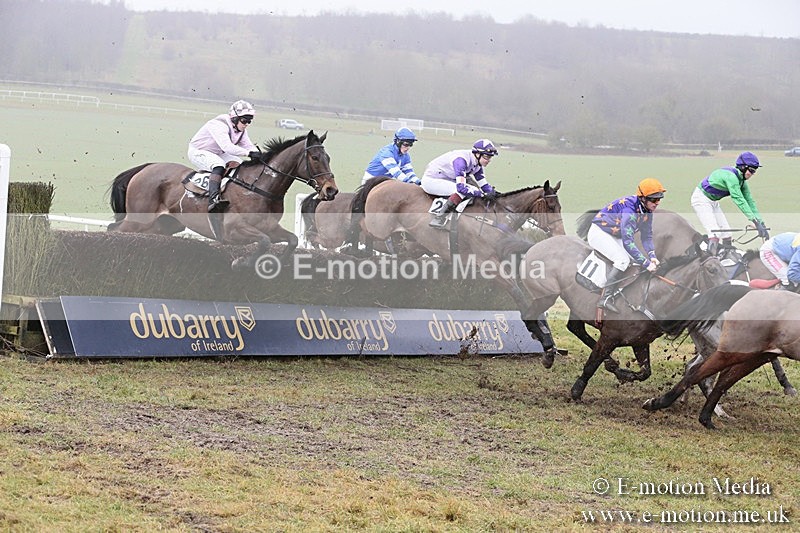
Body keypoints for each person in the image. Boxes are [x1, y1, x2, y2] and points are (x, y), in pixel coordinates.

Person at [588, 178, 666, 313]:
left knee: (636, 260)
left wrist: (652, 256)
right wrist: (647, 264)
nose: (657, 203)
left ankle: (621, 293)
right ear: (643, 198)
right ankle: (605, 298)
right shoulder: (629, 211)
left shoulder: (647, 210)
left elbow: (646, 236)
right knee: (622, 260)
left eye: (659, 199)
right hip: (599, 233)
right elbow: (628, 242)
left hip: (614, 235)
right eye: (654, 200)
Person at [187, 99, 261, 213]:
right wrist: (249, 153)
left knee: (240, 164)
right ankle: (213, 200)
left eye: (249, 121)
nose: (246, 124)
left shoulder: (240, 130)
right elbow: (227, 147)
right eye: (244, 120)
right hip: (198, 151)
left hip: (218, 152)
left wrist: (260, 155)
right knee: (219, 165)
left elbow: (248, 145)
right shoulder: (218, 125)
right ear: (235, 118)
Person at [690, 151, 769, 256]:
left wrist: (761, 223)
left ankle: (726, 259)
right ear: (743, 167)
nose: (752, 174)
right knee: (715, 233)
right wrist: (754, 221)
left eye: (754, 171)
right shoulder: (731, 177)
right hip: (701, 199)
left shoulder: (742, 182)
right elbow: (739, 199)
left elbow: (750, 202)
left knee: (727, 234)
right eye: (751, 170)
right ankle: (709, 263)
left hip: (713, 202)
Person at [421, 139, 500, 229]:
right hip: (431, 180)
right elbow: (461, 188)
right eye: (487, 157)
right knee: (466, 191)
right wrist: (482, 194)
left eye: (490, 157)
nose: (489, 160)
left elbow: (484, 185)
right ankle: (439, 217)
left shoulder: (477, 163)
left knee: (473, 188)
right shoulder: (461, 161)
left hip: (447, 179)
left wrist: (496, 195)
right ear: (477, 154)